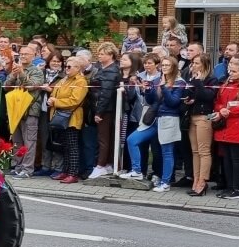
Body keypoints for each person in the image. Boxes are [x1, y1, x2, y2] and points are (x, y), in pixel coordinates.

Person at [120, 56, 185, 192]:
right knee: (132, 140)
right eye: (164, 65)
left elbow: (173, 102)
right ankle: (137, 170)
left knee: (166, 152)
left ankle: (165, 182)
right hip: (154, 118)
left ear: (173, 67)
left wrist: (163, 88)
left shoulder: (180, 82)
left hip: (168, 118)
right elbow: (150, 100)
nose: (165, 67)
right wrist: (147, 90)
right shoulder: (157, 80)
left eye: (168, 65)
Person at [213, 57, 239, 199]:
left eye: (234, 71)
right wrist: (221, 109)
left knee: (236, 160)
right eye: (230, 70)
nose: (230, 73)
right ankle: (229, 187)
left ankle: (236, 189)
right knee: (226, 159)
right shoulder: (225, 85)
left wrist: (228, 111)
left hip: (238, 128)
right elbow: (218, 102)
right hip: (224, 128)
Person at [47, 56, 89, 183]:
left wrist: (56, 102)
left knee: (72, 146)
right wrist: (51, 99)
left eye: (69, 66)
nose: (67, 68)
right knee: (64, 146)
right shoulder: (64, 80)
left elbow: (75, 100)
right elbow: (55, 93)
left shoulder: (80, 81)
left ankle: (73, 173)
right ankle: (65, 171)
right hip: (60, 116)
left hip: (71, 117)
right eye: (66, 66)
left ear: (78, 68)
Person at [4, 46, 45, 177]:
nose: (23, 56)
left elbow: (32, 86)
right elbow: (6, 87)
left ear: (33, 55)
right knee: (17, 141)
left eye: (26, 54)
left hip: (30, 110)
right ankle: (18, 165)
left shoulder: (37, 71)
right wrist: (13, 75)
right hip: (16, 109)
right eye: (21, 54)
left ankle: (27, 169)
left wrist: (21, 74)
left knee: (29, 141)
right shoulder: (16, 69)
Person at [181, 51, 217, 196]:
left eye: (196, 63)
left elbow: (207, 96)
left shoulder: (211, 80)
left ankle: (203, 181)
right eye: (193, 63)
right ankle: (196, 180)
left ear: (204, 65)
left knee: (204, 151)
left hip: (205, 117)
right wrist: (188, 98)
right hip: (192, 116)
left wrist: (197, 82)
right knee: (195, 151)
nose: (193, 66)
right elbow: (190, 95)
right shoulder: (192, 79)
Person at [87, 43, 122, 179]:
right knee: (105, 137)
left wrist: (99, 112)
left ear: (110, 55)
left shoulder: (111, 71)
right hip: (105, 108)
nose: (99, 56)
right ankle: (106, 163)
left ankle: (101, 165)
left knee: (103, 138)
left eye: (102, 54)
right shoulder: (104, 69)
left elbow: (105, 93)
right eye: (99, 53)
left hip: (106, 109)